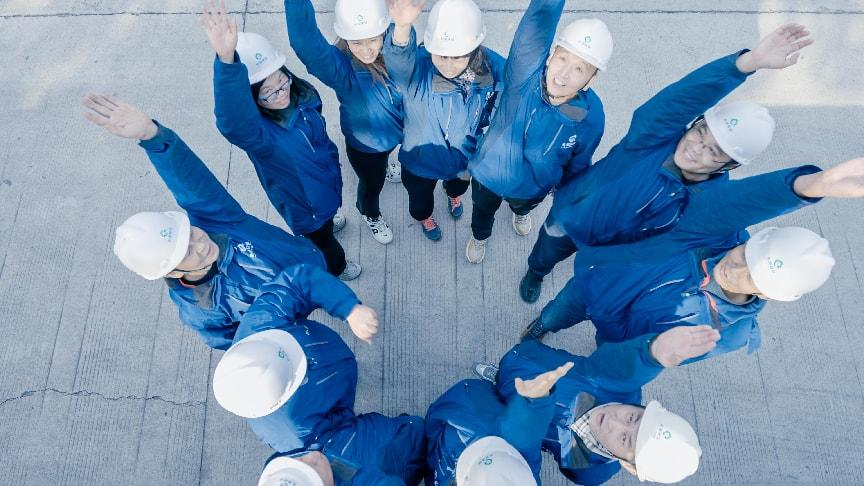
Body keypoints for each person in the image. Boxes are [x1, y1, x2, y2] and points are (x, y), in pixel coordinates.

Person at [518, 23, 814, 302]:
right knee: (546, 252)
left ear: (729, 166)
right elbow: (683, 98)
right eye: (701, 132)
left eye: (714, 152)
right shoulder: (651, 138)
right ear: (695, 123)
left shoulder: (706, 202)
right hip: (573, 217)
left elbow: (744, 205)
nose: (696, 149)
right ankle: (536, 273)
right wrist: (747, 63)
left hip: (611, 252)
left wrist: (807, 187)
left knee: (586, 281)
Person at [522, 156, 864, 362]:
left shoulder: (728, 334)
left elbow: (663, 355)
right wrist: (805, 187)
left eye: (750, 276)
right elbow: (741, 201)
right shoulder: (715, 233)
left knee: (608, 351)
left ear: (768, 294)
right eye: (745, 254)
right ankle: (545, 326)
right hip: (593, 289)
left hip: (622, 335)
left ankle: (598, 345)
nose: (733, 266)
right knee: (555, 313)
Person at [82, 93, 343, 350]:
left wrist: (152, 136)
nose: (201, 243)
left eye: (190, 234)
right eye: (187, 252)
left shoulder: (219, 221)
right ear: (172, 272)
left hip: (312, 267)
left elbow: (190, 181)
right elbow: (235, 341)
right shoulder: (202, 311)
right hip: (292, 318)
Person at [199, 0, 361, 279]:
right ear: (252, 98)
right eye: (269, 93)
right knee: (323, 244)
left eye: (282, 81)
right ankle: (338, 267)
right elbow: (232, 120)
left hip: (324, 186)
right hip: (306, 209)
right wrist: (226, 62)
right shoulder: (260, 136)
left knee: (327, 218)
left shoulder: (302, 96)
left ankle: (328, 220)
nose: (281, 93)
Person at [475, 325, 718, 485]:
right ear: (642, 408)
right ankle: (500, 376)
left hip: (515, 415)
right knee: (507, 375)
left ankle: (498, 385)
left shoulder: (591, 473)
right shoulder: (621, 387)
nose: (614, 422)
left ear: (629, 466)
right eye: (632, 418)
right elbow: (621, 365)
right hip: (526, 360)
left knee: (499, 403)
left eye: (625, 440)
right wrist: (650, 354)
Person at [465, 0, 609, 263]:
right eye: (563, 58)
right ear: (550, 55)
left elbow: (579, 162)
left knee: (522, 207)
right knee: (482, 212)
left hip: (532, 189)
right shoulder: (524, 73)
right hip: (489, 176)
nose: (563, 75)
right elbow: (538, 21)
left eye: (579, 68)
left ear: (591, 79)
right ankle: (480, 236)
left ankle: (520, 213)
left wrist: (567, 194)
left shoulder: (591, 117)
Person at [213, 265, 380, 453]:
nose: (303, 360)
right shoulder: (291, 432)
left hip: (334, 370)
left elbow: (296, 282)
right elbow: (328, 437)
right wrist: (345, 416)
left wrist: (348, 308)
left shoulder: (260, 323)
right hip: (338, 389)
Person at [384, 0, 506, 240]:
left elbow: (518, 77)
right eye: (441, 56)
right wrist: (401, 28)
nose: (449, 66)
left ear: (474, 49)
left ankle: (453, 194)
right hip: (420, 163)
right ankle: (425, 217)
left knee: (458, 186)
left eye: (458, 57)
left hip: (462, 160)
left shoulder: (488, 70)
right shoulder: (417, 71)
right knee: (419, 203)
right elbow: (398, 63)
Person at [285, 0, 404, 245]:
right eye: (356, 42)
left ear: (384, 31)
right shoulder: (341, 70)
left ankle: (385, 165)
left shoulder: (396, 50)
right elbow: (307, 44)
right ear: (345, 39)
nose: (366, 50)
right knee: (371, 185)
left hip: (394, 136)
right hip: (366, 148)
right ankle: (370, 212)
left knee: (384, 160)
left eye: (372, 40)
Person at [425, 361, 574, 485]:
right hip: (473, 404)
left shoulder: (521, 472)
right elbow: (524, 435)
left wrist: (536, 401)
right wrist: (535, 401)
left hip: (469, 404)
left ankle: (502, 382)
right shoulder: (519, 473)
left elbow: (524, 438)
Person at [257, 412, 426, 486]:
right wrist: (348, 471)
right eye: (313, 471)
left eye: (299, 461)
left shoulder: (276, 468)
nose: (313, 456)